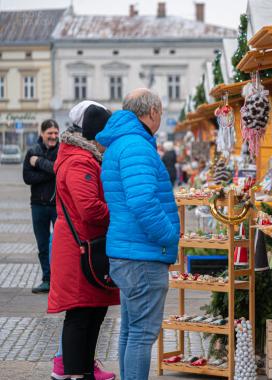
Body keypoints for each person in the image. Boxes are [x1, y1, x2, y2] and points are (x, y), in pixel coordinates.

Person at [96, 88, 180, 380]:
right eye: (161, 113)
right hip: (142, 253)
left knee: (132, 331)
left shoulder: (120, 143)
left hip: (127, 250)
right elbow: (142, 201)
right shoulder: (137, 146)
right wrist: (169, 235)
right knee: (142, 334)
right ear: (152, 113)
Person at [48, 101, 119, 380]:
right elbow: (89, 209)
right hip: (80, 248)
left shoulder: (85, 158)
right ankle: (77, 373)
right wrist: (119, 212)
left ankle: (85, 369)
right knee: (80, 315)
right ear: (94, 133)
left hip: (86, 247)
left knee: (93, 312)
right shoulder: (79, 161)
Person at [23, 119, 59, 294]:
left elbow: (58, 169)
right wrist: (50, 172)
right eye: (49, 133)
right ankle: (47, 279)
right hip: (38, 205)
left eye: (55, 133)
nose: (53, 136)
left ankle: (59, 280)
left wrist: (38, 164)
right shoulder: (32, 151)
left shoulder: (62, 150)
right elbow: (27, 178)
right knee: (43, 245)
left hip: (57, 205)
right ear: (42, 134)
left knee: (60, 245)